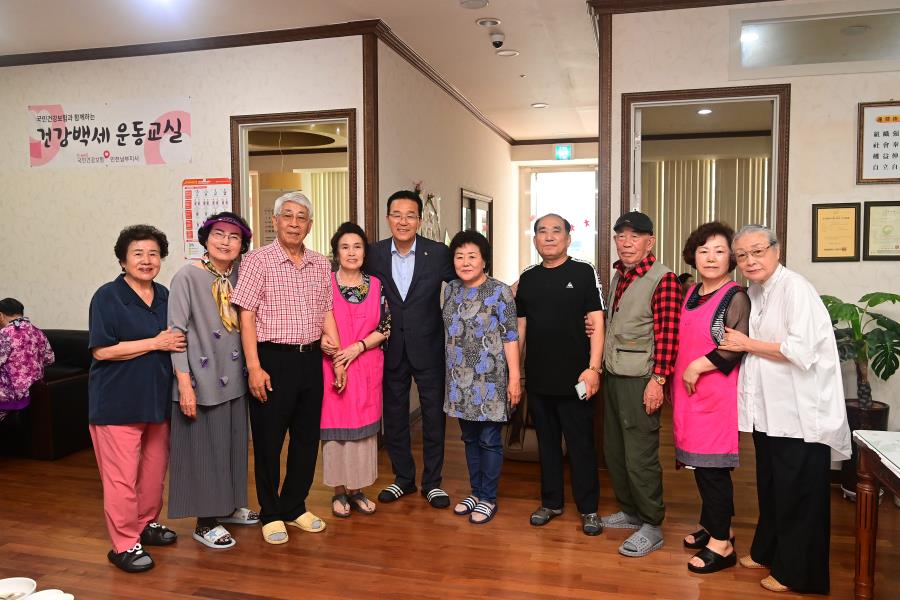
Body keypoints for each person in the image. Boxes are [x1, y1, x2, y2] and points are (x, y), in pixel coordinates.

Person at [720, 224, 851, 594]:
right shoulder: (757, 292)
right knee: (772, 487)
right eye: (742, 255)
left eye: (757, 251)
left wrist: (747, 343)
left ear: (776, 250)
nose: (749, 260)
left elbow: (801, 350)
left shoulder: (796, 289)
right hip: (770, 414)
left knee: (798, 494)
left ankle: (798, 573)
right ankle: (767, 550)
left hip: (799, 415)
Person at [231, 191, 340, 545]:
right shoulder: (257, 261)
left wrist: (335, 354)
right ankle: (271, 511)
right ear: (275, 221)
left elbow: (327, 311)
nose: (295, 223)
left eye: (302, 217)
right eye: (287, 216)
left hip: (310, 359)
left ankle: (295, 505)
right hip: (272, 359)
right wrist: (254, 367)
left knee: (307, 439)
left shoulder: (321, 262)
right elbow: (245, 315)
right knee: (268, 440)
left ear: (310, 224)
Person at [88, 225, 186, 573]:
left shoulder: (164, 295)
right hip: (117, 404)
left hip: (157, 403)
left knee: (152, 475)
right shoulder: (107, 297)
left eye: (154, 254)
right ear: (122, 260)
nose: (147, 260)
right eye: (138, 253)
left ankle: (145, 523)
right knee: (121, 479)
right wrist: (154, 343)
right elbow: (102, 351)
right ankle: (124, 544)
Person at [167, 212, 259, 550]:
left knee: (233, 447)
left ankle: (230, 506)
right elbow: (175, 333)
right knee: (204, 452)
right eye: (218, 234)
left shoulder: (241, 276)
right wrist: (185, 384)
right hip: (200, 380)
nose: (225, 241)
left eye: (233, 237)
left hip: (235, 377)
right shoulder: (187, 276)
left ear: (242, 245)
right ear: (206, 239)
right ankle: (205, 521)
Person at [515, 214, 605, 536]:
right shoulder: (527, 279)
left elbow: (596, 321)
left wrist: (594, 368)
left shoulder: (583, 272)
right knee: (547, 446)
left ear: (568, 238)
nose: (549, 237)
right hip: (539, 379)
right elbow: (520, 327)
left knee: (581, 446)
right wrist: (515, 372)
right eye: (542, 231)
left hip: (577, 380)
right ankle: (550, 502)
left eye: (556, 231)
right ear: (535, 239)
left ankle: (589, 509)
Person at [366, 190, 455, 509]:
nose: (403, 221)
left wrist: (501, 291)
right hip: (389, 345)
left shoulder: (439, 252)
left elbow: (465, 281)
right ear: (388, 218)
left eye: (410, 215)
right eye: (397, 215)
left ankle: (433, 482)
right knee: (394, 415)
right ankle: (403, 478)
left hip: (429, 345)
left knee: (433, 416)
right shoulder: (372, 254)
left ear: (420, 220)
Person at [600, 211, 680, 557]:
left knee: (640, 455)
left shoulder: (663, 279)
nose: (626, 243)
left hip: (641, 380)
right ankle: (631, 512)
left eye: (635, 237)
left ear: (651, 241)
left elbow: (668, 335)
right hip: (614, 376)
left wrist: (658, 381)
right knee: (615, 451)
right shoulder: (620, 276)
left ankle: (651, 523)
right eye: (621, 236)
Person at [671, 222, 750, 574]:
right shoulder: (691, 292)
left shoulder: (735, 297)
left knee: (713, 470)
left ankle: (723, 545)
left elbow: (734, 349)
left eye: (719, 250)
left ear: (731, 256)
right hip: (689, 395)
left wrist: (695, 368)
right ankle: (715, 525)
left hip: (715, 395)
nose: (711, 257)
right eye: (703, 251)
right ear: (693, 256)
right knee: (699, 467)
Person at [443, 230, 520, 525]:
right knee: (469, 438)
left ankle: (488, 497)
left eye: (472, 256)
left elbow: (511, 337)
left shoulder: (500, 292)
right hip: (459, 381)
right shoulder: (451, 289)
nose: (465, 262)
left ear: (484, 259)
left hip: (490, 380)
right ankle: (475, 492)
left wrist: (514, 379)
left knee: (489, 440)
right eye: (459, 256)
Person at [321, 222, 390, 518]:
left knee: (362, 434)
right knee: (337, 433)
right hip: (332, 366)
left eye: (357, 246)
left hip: (366, 364)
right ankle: (339, 492)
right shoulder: (325, 283)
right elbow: (320, 322)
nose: (351, 252)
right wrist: (338, 356)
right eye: (345, 247)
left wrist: (358, 347)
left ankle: (358, 490)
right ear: (336, 252)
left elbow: (385, 327)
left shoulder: (376, 285)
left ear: (365, 252)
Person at [0, 298, 54, 423]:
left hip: (9, 397)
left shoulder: (4, 334)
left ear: (1, 315)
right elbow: (50, 359)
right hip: (34, 394)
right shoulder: (38, 332)